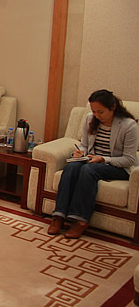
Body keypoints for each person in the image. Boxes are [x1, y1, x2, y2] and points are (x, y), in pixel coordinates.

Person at [48, 90, 137, 239]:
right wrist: (80, 152)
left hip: (118, 166)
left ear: (113, 107)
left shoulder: (128, 125)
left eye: (100, 112)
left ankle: (81, 220)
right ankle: (59, 216)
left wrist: (102, 159)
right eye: (94, 111)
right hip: (91, 160)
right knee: (71, 167)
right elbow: (84, 144)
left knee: (88, 170)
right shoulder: (90, 119)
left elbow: (129, 159)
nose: (97, 115)